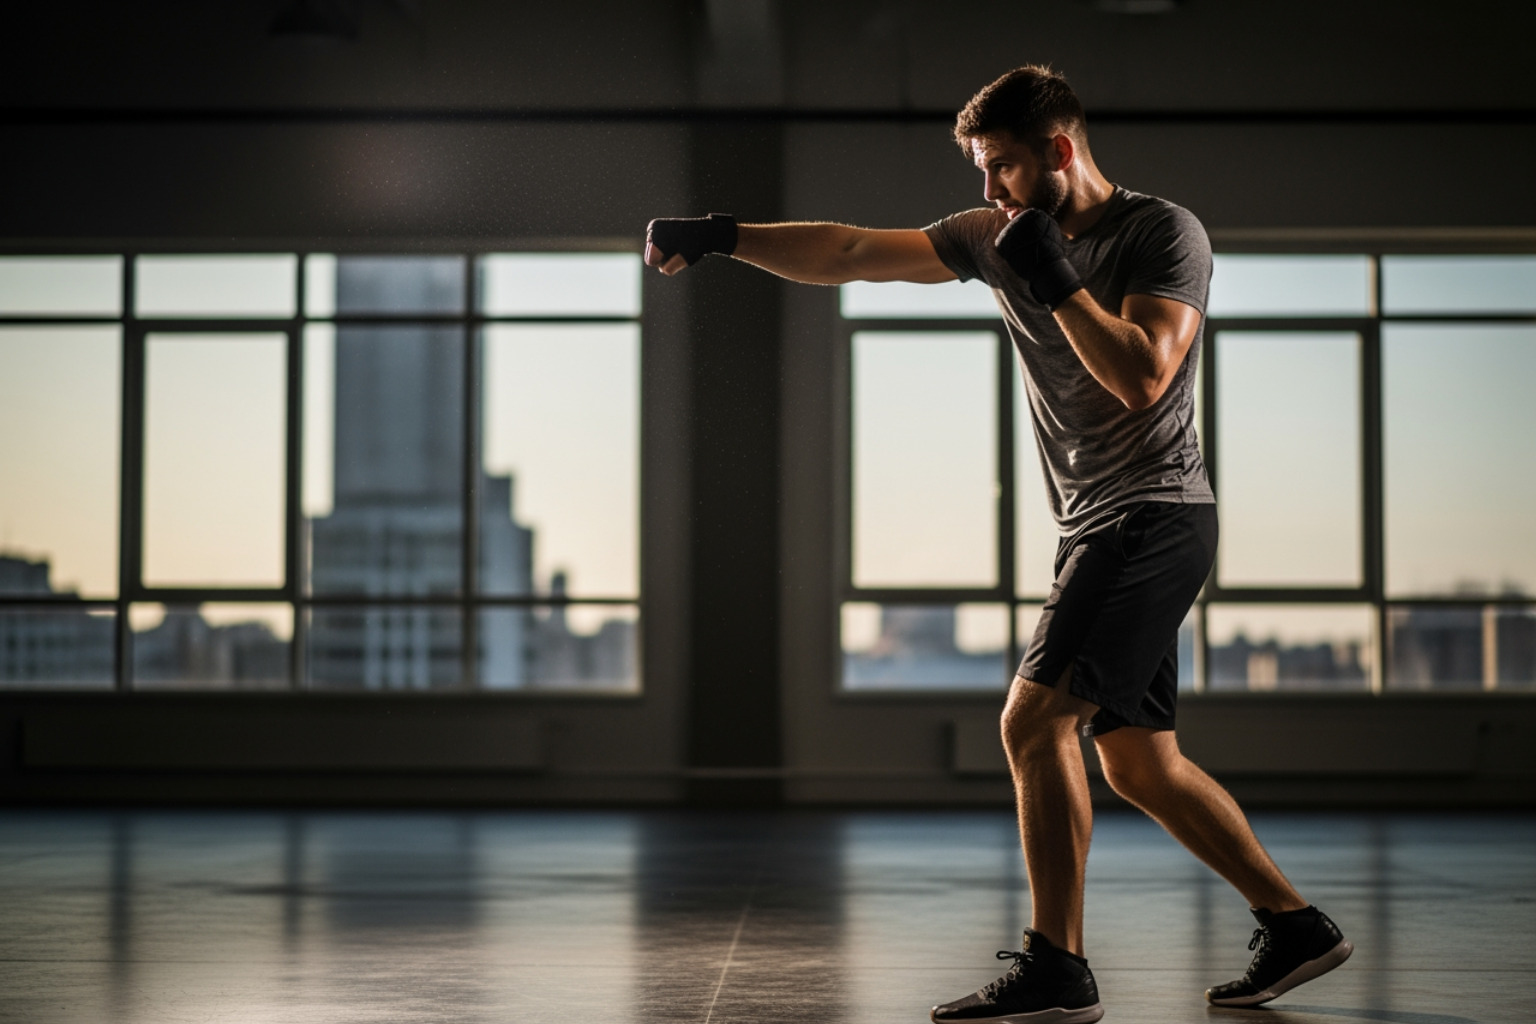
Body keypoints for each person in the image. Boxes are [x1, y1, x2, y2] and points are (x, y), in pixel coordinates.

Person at [644, 65, 1352, 1024]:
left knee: (1033, 723)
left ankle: (1059, 967)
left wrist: (1055, 278)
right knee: (1138, 763)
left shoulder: (1161, 233)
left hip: (1152, 514)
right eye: (981, 170)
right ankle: (1296, 925)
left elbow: (1143, 376)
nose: (989, 190)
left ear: (1059, 151)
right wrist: (724, 236)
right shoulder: (994, 233)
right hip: (1094, 523)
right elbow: (851, 251)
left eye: (1004, 167)